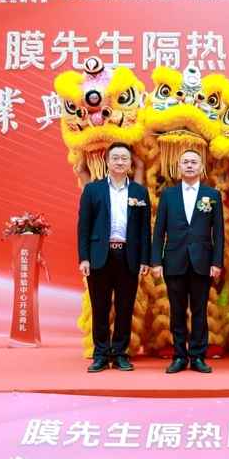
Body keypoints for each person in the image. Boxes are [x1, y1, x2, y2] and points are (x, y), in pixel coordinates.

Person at [77, 143, 151, 373]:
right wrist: (84, 258)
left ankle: (120, 353)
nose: (120, 162)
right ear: (107, 162)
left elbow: (144, 229)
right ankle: (100, 354)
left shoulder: (139, 192)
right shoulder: (93, 190)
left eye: (124, 158)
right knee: (100, 307)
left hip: (129, 256)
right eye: (115, 158)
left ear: (130, 163)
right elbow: (84, 226)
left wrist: (145, 259)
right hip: (99, 255)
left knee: (125, 307)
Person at [151, 149, 224, 374]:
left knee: (200, 311)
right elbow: (159, 230)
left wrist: (217, 262)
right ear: (179, 167)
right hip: (174, 261)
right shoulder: (168, 195)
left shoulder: (212, 195)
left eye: (194, 162)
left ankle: (198, 356)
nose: (190, 165)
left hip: (202, 261)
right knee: (177, 311)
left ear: (201, 167)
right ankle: (179, 356)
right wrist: (156, 261)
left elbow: (219, 232)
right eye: (186, 162)